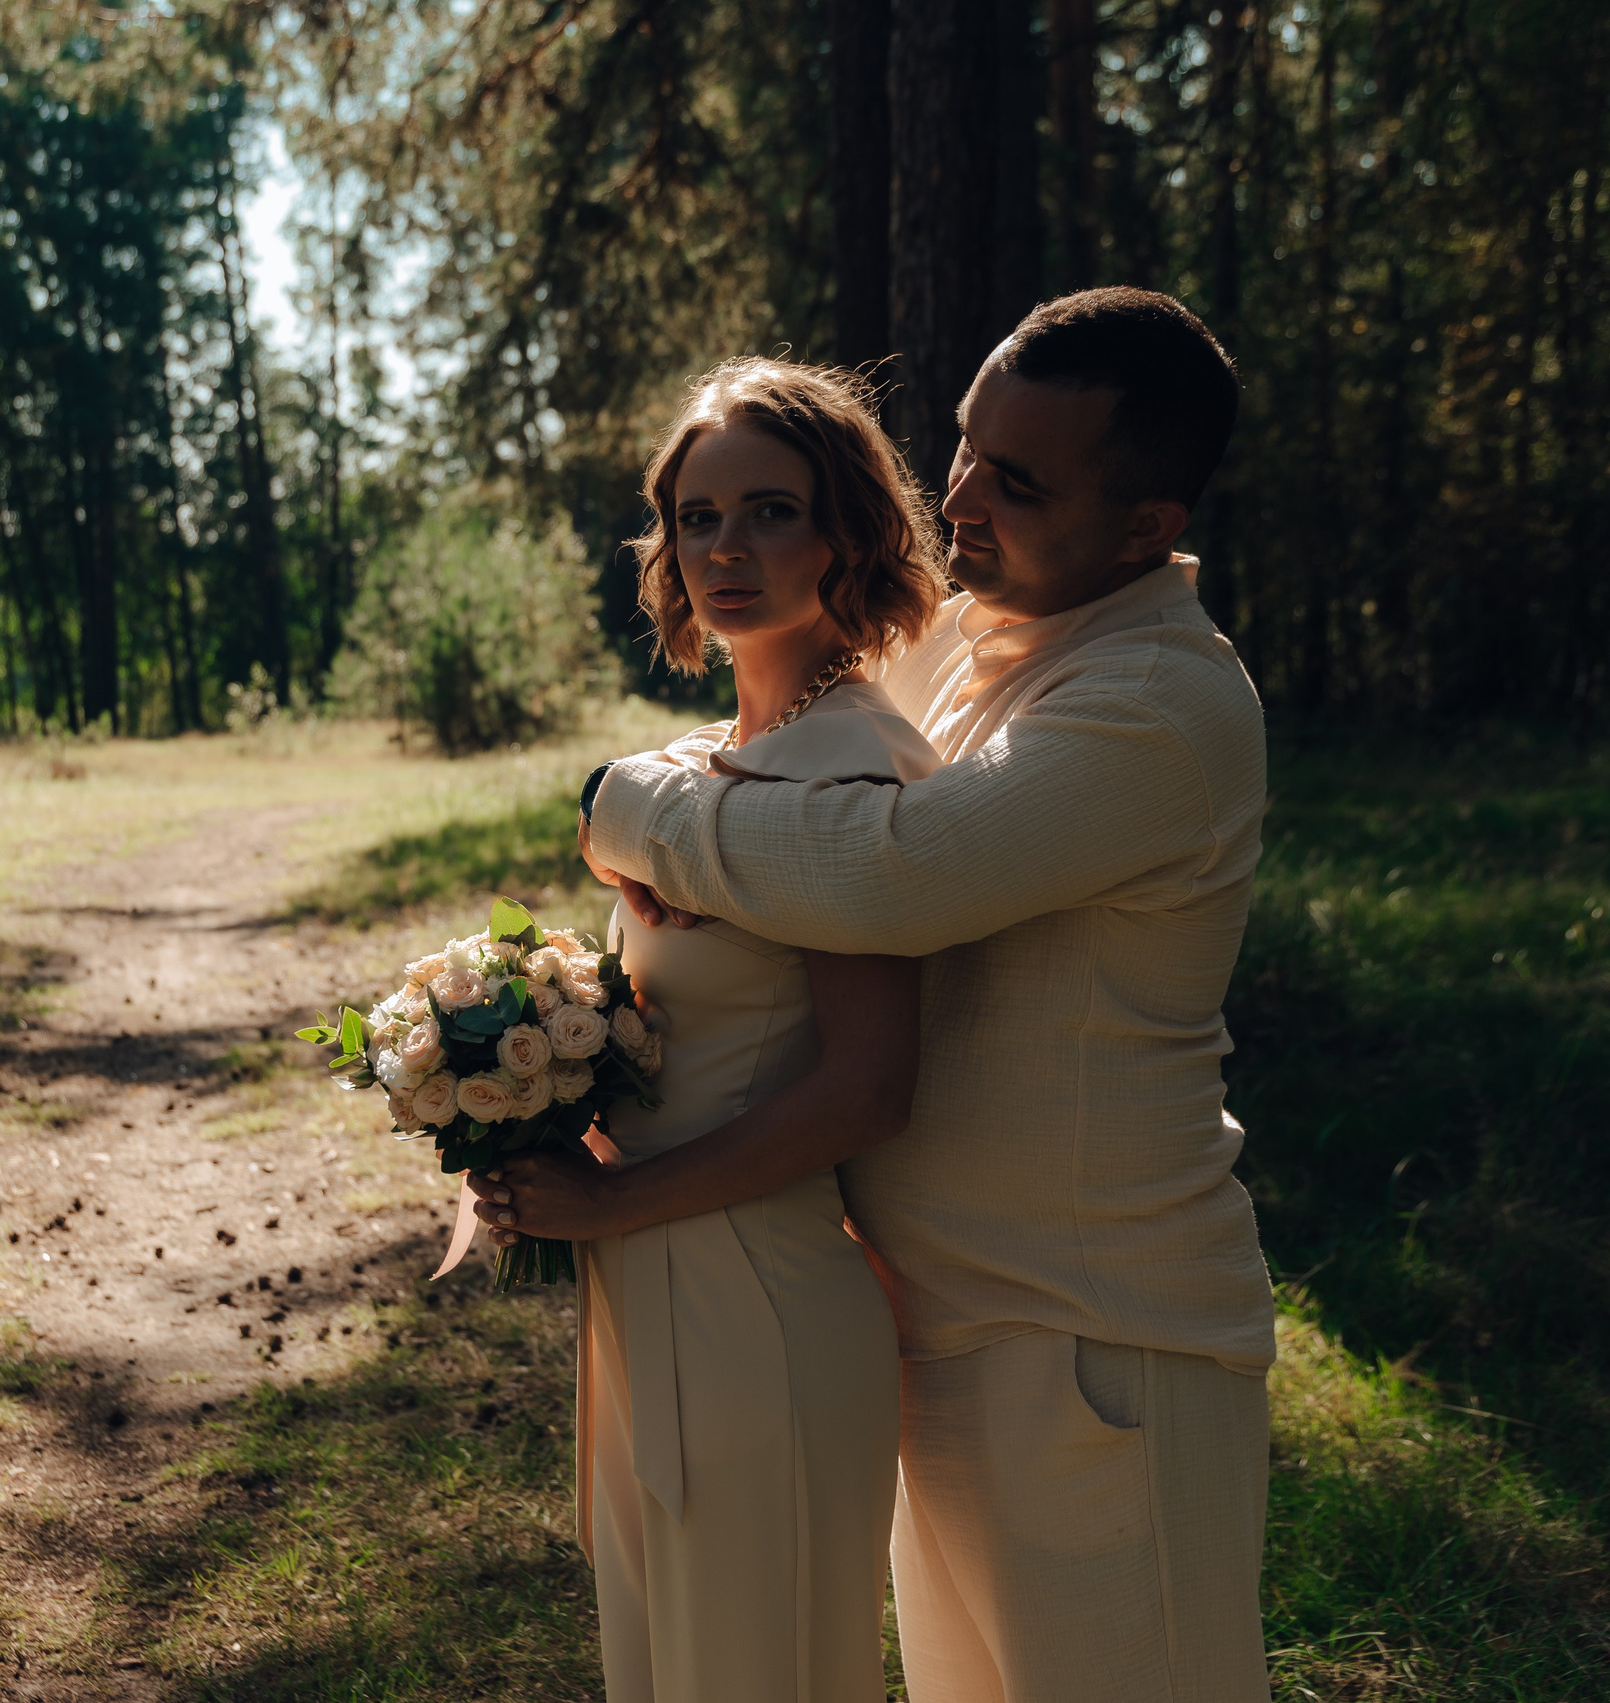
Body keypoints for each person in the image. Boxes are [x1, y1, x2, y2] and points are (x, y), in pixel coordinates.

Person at [480, 288, 1275, 1703]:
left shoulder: (1156, 702)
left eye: (1018, 482)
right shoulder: (974, 643)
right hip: (932, 1319)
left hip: (1096, 1345)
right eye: (966, 449)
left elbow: (889, 873)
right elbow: (776, 721)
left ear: (1150, 524)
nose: (960, 499)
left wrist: (621, 806)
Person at [559, 355, 948, 1703]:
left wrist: (616, 1204)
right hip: (643, 1296)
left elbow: (867, 1091)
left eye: (772, 511)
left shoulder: (853, 769)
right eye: (698, 515)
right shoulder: (701, 767)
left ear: (847, 530)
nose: (726, 547)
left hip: (762, 1306)